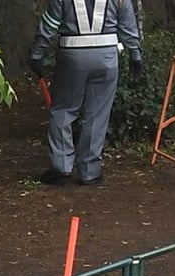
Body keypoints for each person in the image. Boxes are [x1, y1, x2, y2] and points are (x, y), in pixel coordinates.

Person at [30, 0, 143, 186]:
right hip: (106, 56)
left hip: (72, 56)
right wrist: (135, 53)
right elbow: (127, 23)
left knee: (63, 110)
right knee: (97, 114)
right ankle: (90, 171)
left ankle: (61, 166)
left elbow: (50, 22)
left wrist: (37, 52)